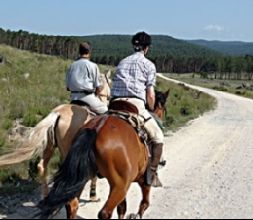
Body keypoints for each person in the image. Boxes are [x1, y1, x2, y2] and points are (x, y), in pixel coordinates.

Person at [111, 32, 164, 187]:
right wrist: (151, 107)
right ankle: (151, 175)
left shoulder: (122, 62)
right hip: (135, 105)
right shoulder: (149, 65)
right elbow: (150, 94)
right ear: (146, 48)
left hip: (114, 104)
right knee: (158, 137)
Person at [66, 42, 108, 114]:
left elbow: (68, 88)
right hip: (87, 97)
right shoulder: (93, 66)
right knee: (106, 111)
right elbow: (97, 87)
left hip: (73, 98)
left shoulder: (71, 66)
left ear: (79, 52)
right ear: (89, 52)